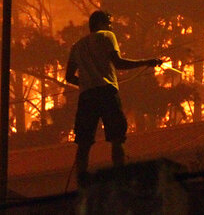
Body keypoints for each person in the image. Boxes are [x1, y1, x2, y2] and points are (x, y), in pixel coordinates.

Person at [65, 10, 162, 180]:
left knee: (84, 141)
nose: (111, 26)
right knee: (117, 136)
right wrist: (147, 62)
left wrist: (87, 82)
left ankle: (81, 178)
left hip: (86, 96)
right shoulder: (107, 36)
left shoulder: (77, 46)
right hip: (106, 92)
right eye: (109, 22)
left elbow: (69, 77)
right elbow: (118, 63)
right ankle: (120, 174)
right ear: (101, 24)